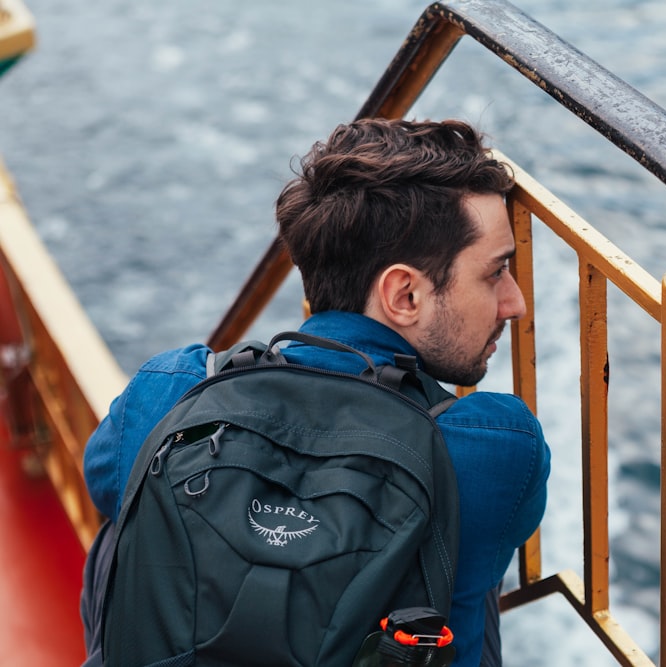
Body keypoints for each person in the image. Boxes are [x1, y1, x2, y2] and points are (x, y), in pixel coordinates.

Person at [80, 118, 551, 667]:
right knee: (460, 568)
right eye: (495, 273)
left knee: (128, 519)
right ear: (403, 294)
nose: (515, 303)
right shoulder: (486, 443)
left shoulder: (172, 390)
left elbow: (102, 479)